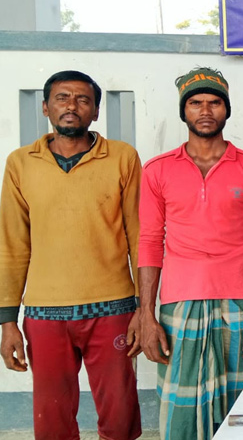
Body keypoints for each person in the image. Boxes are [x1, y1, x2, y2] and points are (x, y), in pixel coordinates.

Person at [0, 70, 142, 439]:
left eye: (82, 99)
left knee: (120, 416)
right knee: (53, 419)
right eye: (62, 98)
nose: (72, 106)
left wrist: (145, 309)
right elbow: (12, 244)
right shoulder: (20, 162)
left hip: (113, 308)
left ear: (95, 111)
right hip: (45, 312)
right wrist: (7, 321)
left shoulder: (122, 157)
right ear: (46, 107)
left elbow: (140, 236)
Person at [139, 67, 243, 439]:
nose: (205, 111)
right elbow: (149, 241)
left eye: (214, 102)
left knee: (242, 399)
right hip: (179, 302)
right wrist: (146, 314)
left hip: (240, 301)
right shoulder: (157, 170)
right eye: (195, 103)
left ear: (226, 109)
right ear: (183, 110)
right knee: (182, 405)